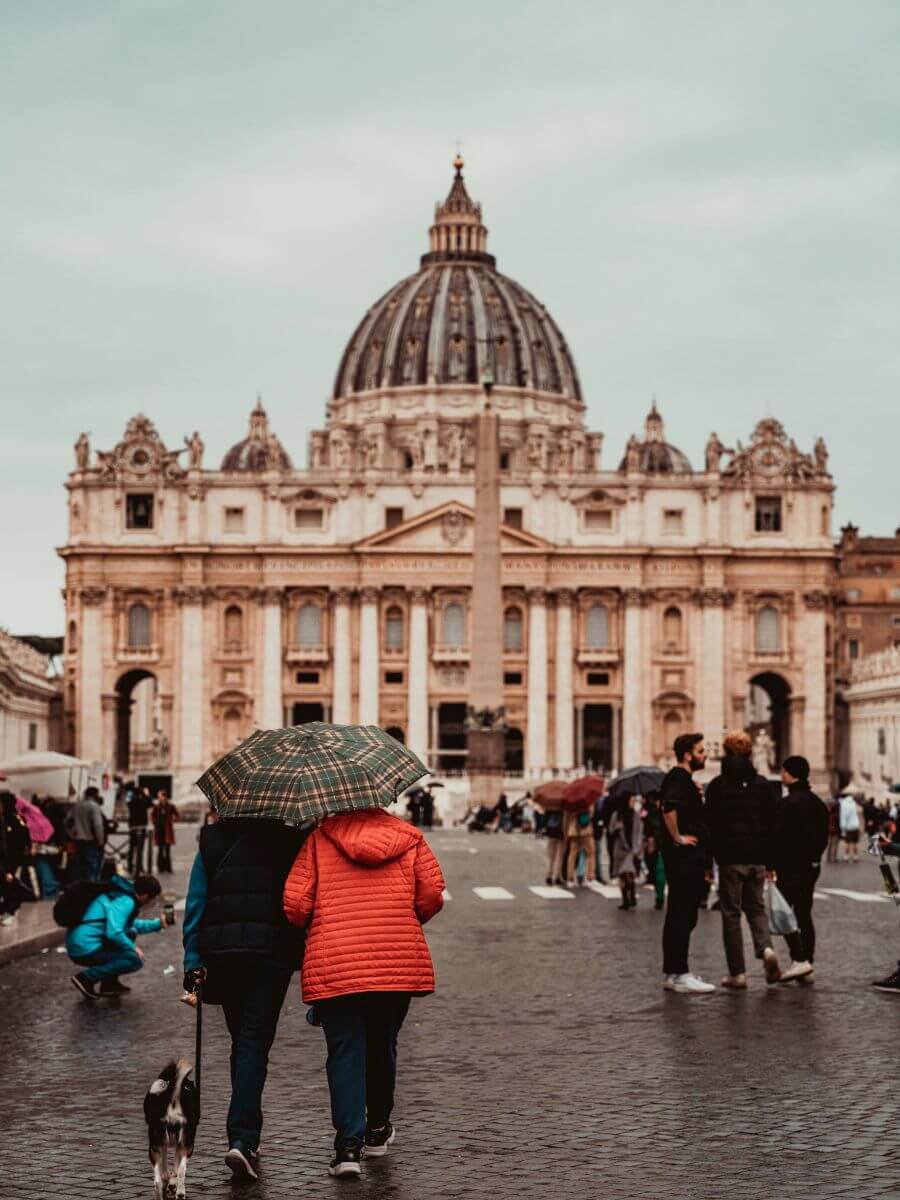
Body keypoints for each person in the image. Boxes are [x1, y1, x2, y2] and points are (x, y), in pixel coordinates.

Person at [283, 807, 445, 1178]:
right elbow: (431, 896)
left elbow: (295, 905)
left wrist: (322, 920)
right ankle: (376, 1130)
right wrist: (402, 918)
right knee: (382, 1043)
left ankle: (347, 1148)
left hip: (336, 959)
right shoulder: (409, 837)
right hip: (395, 957)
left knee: (344, 1051)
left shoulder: (319, 839)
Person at [182, 816, 310, 1181]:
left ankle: (244, 1131)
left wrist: (192, 959)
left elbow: (196, 902)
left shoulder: (212, 839)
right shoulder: (289, 840)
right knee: (253, 1043)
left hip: (223, 955)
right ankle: (242, 1137)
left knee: (242, 1041)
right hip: (271, 955)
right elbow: (299, 899)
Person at [705, 731, 782, 989]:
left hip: (730, 858)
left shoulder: (717, 786)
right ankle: (766, 949)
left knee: (731, 913)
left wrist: (708, 862)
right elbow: (773, 826)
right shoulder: (763, 785)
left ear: (725, 753)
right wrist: (772, 863)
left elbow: (710, 826)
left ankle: (737, 973)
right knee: (757, 908)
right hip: (758, 858)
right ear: (751, 753)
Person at [659, 732, 716, 994]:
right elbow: (668, 807)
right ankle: (680, 973)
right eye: (702, 751)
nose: (706, 755)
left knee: (680, 915)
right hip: (685, 859)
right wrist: (678, 838)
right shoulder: (679, 777)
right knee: (684, 914)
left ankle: (674, 972)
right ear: (688, 755)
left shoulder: (684, 780)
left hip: (685, 858)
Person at [770, 756, 829, 984]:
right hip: (810, 866)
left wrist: (772, 864)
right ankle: (808, 965)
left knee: (783, 914)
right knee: (804, 913)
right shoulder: (818, 804)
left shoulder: (786, 805)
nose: (781, 775)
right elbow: (824, 838)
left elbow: (777, 838)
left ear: (791, 774)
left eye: (784, 771)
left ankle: (799, 958)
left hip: (789, 867)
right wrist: (814, 857)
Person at [69, 872, 169, 998]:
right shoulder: (126, 901)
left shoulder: (125, 895)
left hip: (81, 943)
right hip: (84, 948)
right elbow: (114, 933)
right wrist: (133, 948)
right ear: (145, 896)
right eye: (151, 899)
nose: (151, 903)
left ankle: (109, 984)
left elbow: (130, 925)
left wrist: (158, 924)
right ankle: (86, 978)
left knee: (129, 935)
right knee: (133, 959)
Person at [1, 791, 31, 926]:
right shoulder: (11, 818)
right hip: (8, 858)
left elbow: (22, 840)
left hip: (11, 858)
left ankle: (11, 909)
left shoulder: (13, 819)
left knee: (9, 884)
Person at [609, 794, 643, 909]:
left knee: (628, 872)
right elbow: (610, 831)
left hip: (631, 850)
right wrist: (617, 828)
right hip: (620, 850)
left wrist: (637, 848)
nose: (633, 803)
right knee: (623, 875)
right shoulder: (617, 815)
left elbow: (639, 832)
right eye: (631, 800)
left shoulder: (635, 815)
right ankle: (626, 899)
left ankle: (630, 896)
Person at [67, 786, 106, 881]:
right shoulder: (94, 806)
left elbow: (67, 821)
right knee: (92, 868)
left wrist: (72, 834)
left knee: (80, 868)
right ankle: (91, 890)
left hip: (77, 841)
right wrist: (101, 840)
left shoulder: (77, 805)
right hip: (90, 841)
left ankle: (80, 891)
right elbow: (98, 825)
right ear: (95, 795)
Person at [643, 792, 666, 909]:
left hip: (661, 848)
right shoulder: (652, 815)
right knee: (658, 873)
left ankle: (660, 897)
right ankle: (659, 896)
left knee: (660, 873)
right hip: (657, 847)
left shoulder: (655, 814)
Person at [563, 805, 595, 887]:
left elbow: (566, 818)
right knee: (590, 854)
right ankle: (589, 878)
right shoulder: (587, 802)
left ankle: (570, 879)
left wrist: (566, 833)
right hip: (586, 831)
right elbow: (591, 814)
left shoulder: (571, 803)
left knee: (572, 855)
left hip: (574, 831)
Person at [127, 785, 154, 875]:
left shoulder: (131, 802)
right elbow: (151, 803)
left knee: (131, 847)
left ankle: (130, 866)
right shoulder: (143, 801)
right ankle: (139, 867)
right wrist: (147, 794)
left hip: (132, 827)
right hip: (141, 827)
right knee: (140, 848)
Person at [151, 790, 178, 873]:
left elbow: (176, 815)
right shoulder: (157, 806)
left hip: (167, 831)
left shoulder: (170, 806)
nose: (159, 798)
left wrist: (173, 818)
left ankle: (168, 868)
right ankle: (160, 868)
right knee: (160, 850)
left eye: (160, 796)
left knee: (167, 849)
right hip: (159, 830)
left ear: (164, 796)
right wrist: (155, 822)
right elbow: (152, 815)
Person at [544, 807, 565, 885]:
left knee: (551, 854)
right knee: (560, 854)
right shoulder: (564, 801)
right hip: (561, 827)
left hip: (551, 827)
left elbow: (546, 815)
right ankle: (557, 875)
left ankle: (549, 874)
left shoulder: (551, 801)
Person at [839, 791, 861, 862]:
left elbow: (844, 817)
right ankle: (855, 856)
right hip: (855, 826)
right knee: (855, 842)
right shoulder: (854, 804)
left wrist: (843, 828)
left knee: (848, 842)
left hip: (848, 827)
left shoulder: (844, 805)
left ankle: (846, 856)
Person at [825, 796, 841, 863]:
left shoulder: (827, 812)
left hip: (828, 830)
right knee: (834, 844)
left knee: (829, 844)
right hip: (835, 830)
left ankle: (828, 858)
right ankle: (833, 858)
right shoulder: (837, 814)